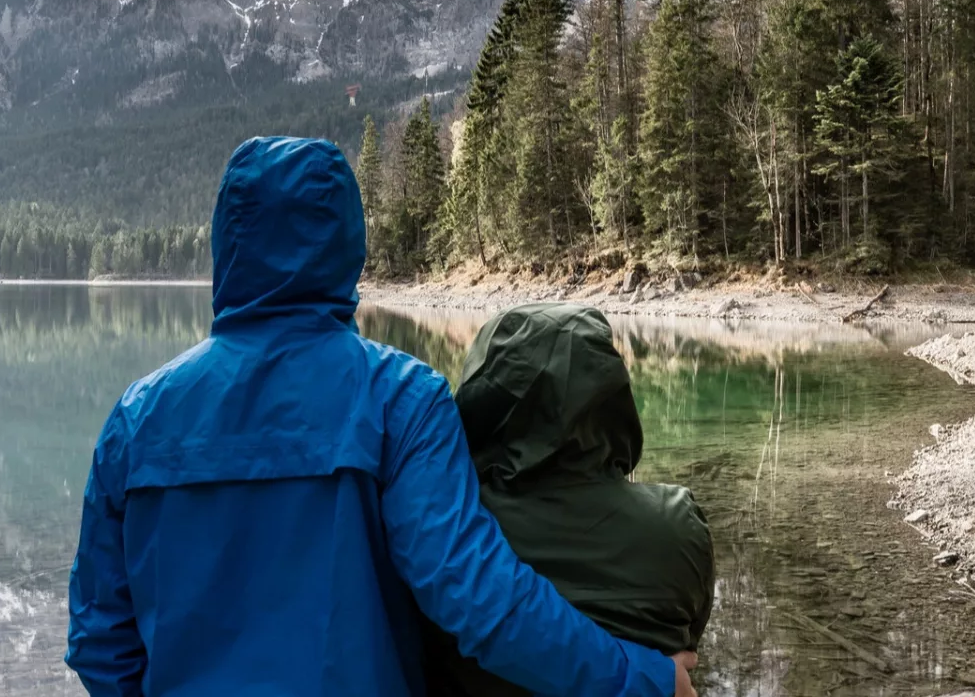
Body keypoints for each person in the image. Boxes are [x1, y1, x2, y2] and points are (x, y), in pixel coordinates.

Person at [64, 137, 696, 697]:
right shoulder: (401, 397)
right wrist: (638, 678)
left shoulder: (137, 418)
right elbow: (478, 600)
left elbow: (99, 639)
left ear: (226, 242)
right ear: (348, 244)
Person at [425, 303, 716, 697]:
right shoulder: (679, 526)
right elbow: (689, 641)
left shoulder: (448, 533)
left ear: (483, 396)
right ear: (611, 394)